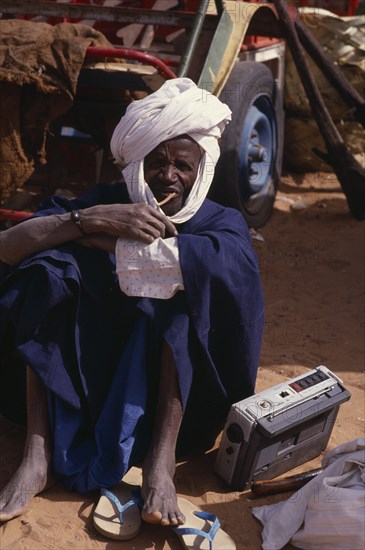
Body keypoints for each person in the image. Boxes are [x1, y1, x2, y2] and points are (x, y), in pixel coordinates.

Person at [0, 78, 264, 528]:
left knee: (185, 298)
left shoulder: (220, 221)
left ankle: (159, 463)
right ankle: (37, 454)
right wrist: (90, 219)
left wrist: (102, 243)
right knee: (47, 272)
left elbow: (228, 272)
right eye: (156, 163)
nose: (168, 177)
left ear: (202, 169)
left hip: (180, 393)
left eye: (183, 165)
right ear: (136, 163)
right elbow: (9, 245)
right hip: (88, 375)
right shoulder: (111, 201)